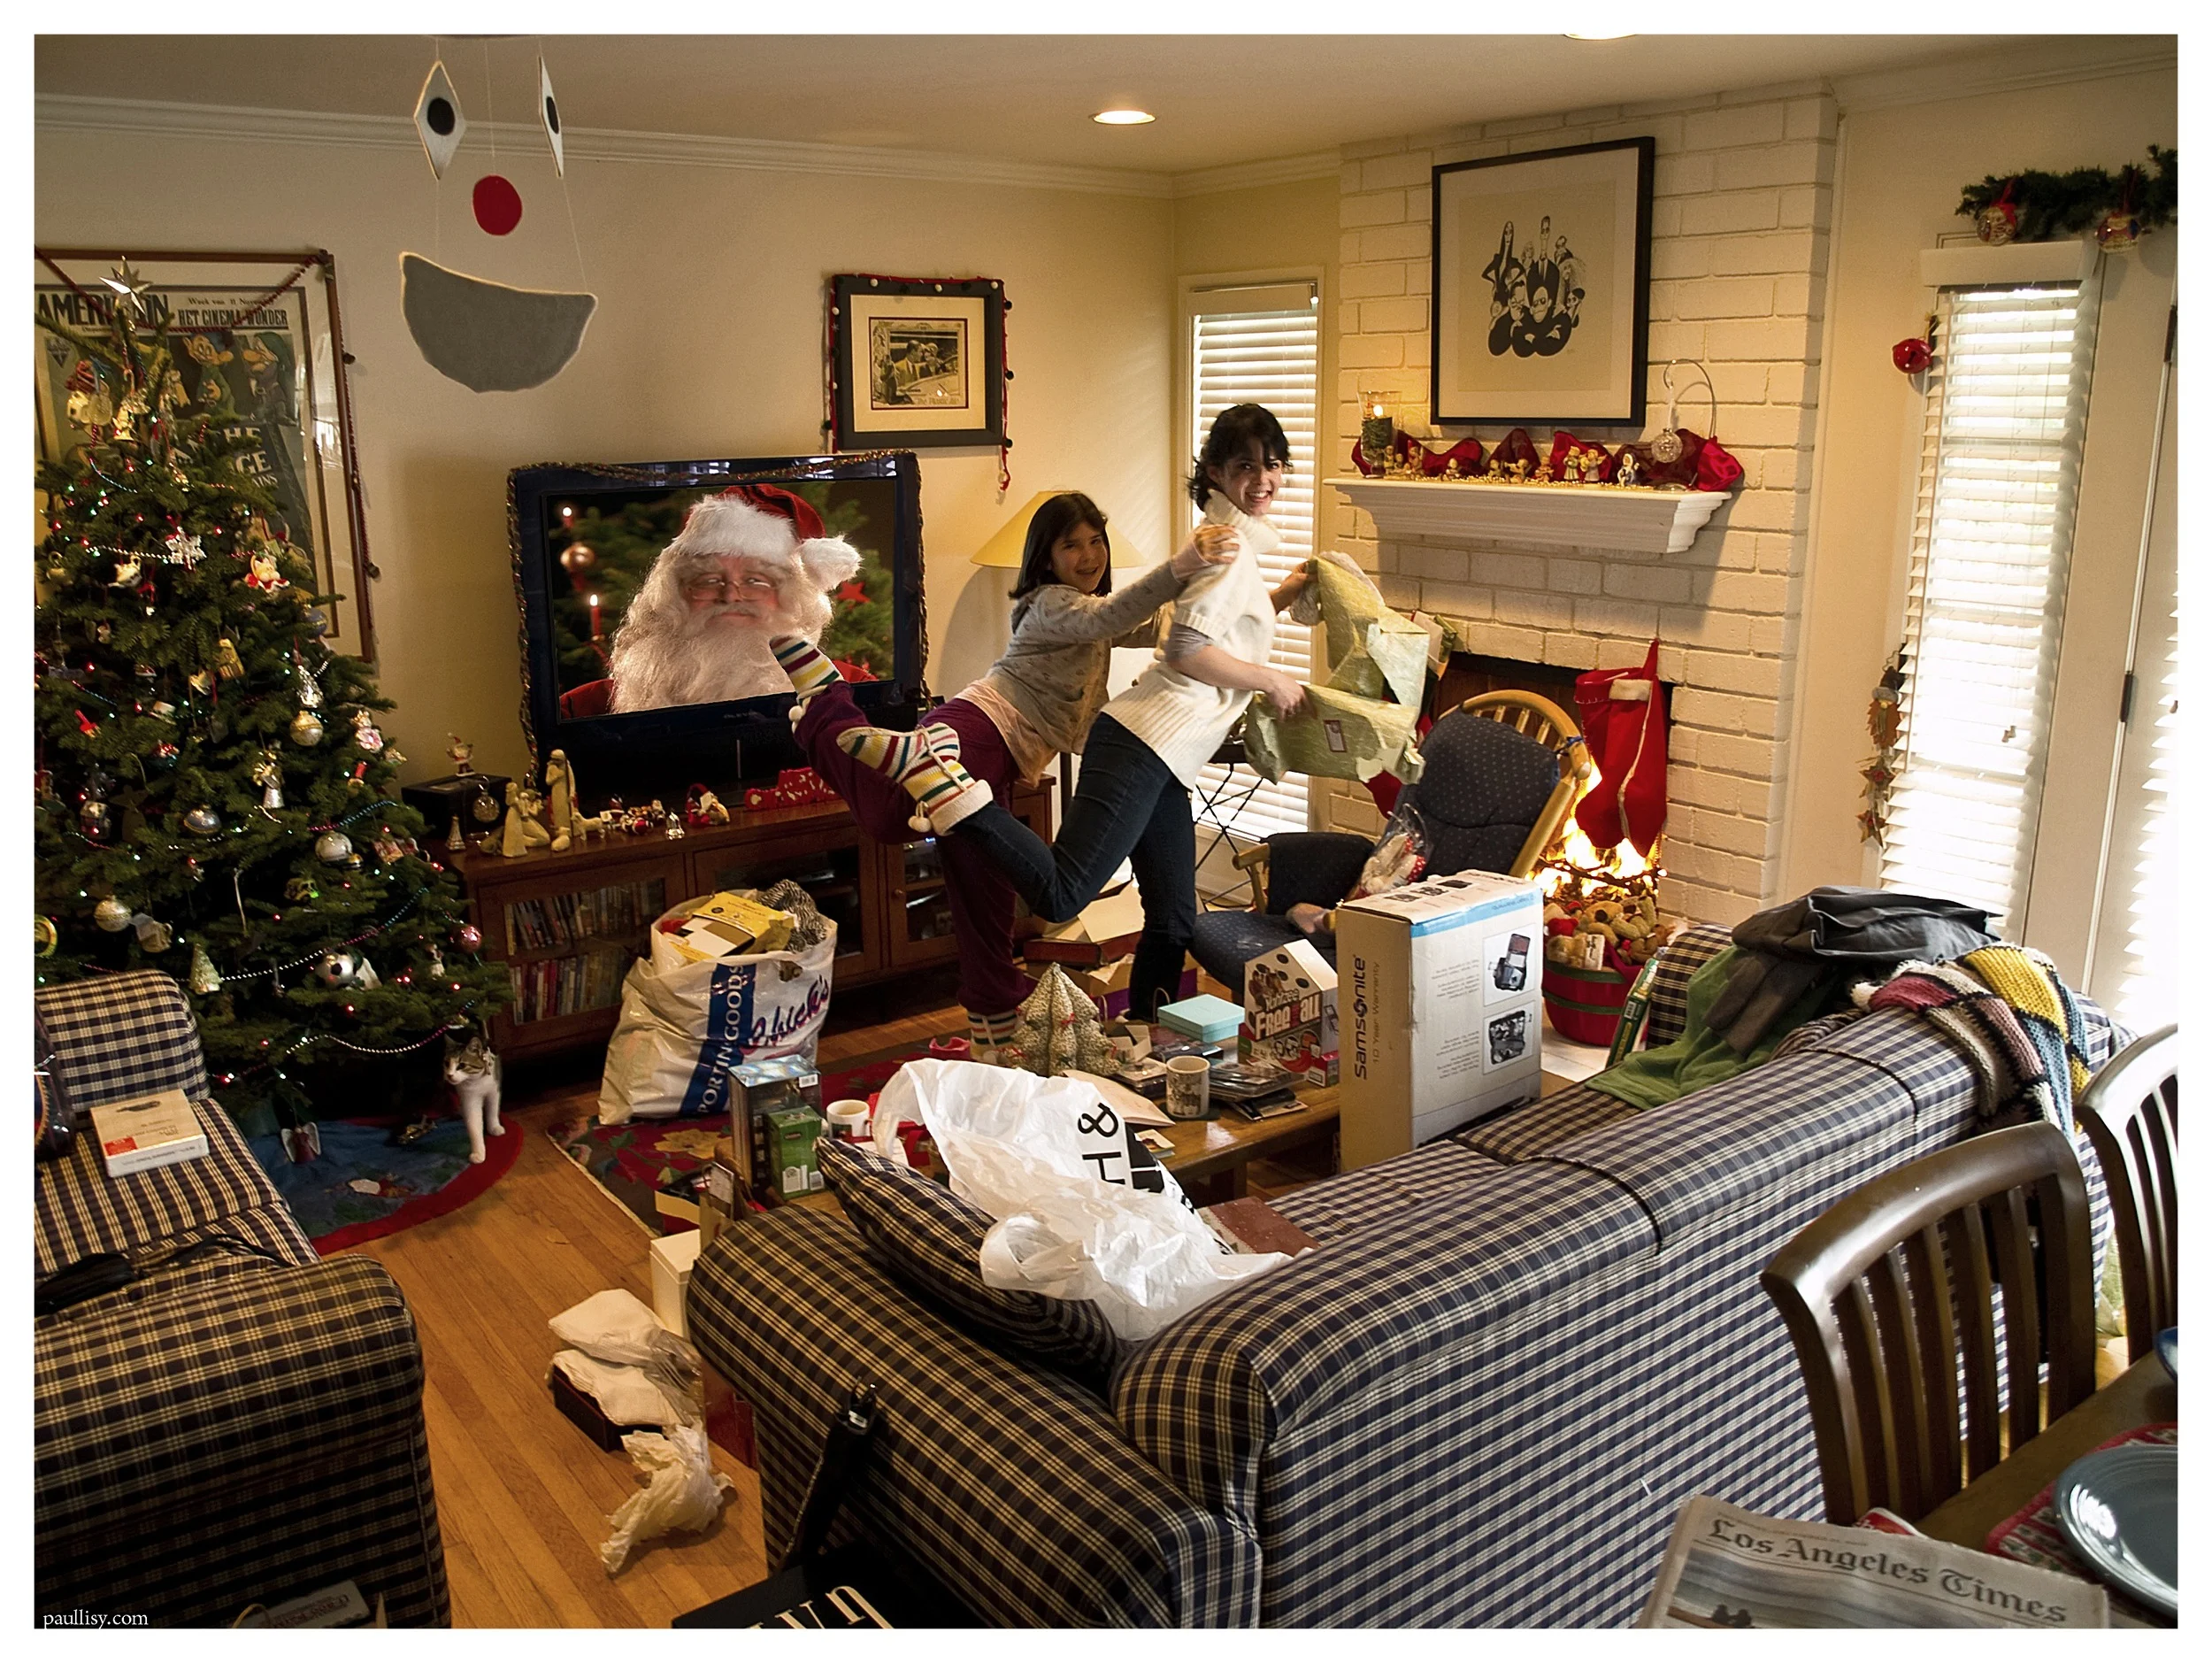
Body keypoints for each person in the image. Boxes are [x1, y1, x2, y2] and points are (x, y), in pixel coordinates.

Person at [830, 403, 1313, 1023]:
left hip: (1162, 754)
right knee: (1061, 892)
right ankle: (963, 801)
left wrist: (1285, 594)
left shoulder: (1229, 549)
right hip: (1087, 733)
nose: (1264, 477)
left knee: (1172, 916)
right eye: (1247, 465)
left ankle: (1150, 1041)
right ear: (1216, 471)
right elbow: (1183, 645)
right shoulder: (1061, 601)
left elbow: (1168, 626)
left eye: (1272, 465)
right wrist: (1269, 677)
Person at [767, 492, 1235, 1053]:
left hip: (1000, 754)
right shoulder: (1053, 605)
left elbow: (1164, 628)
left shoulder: (1089, 611)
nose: (1089, 556)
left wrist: (1267, 597)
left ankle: (993, 1010)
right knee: (892, 816)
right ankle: (827, 706)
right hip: (978, 730)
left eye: (1096, 542)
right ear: (1046, 556)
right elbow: (1119, 614)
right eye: (1071, 545)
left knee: (984, 886)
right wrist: (1182, 565)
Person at [559, 484, 869, 718]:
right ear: (674, 595)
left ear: (795, 599)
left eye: (756, 581)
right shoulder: (582, 709)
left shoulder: (856, 694)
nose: (730, 596)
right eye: (707, 580)